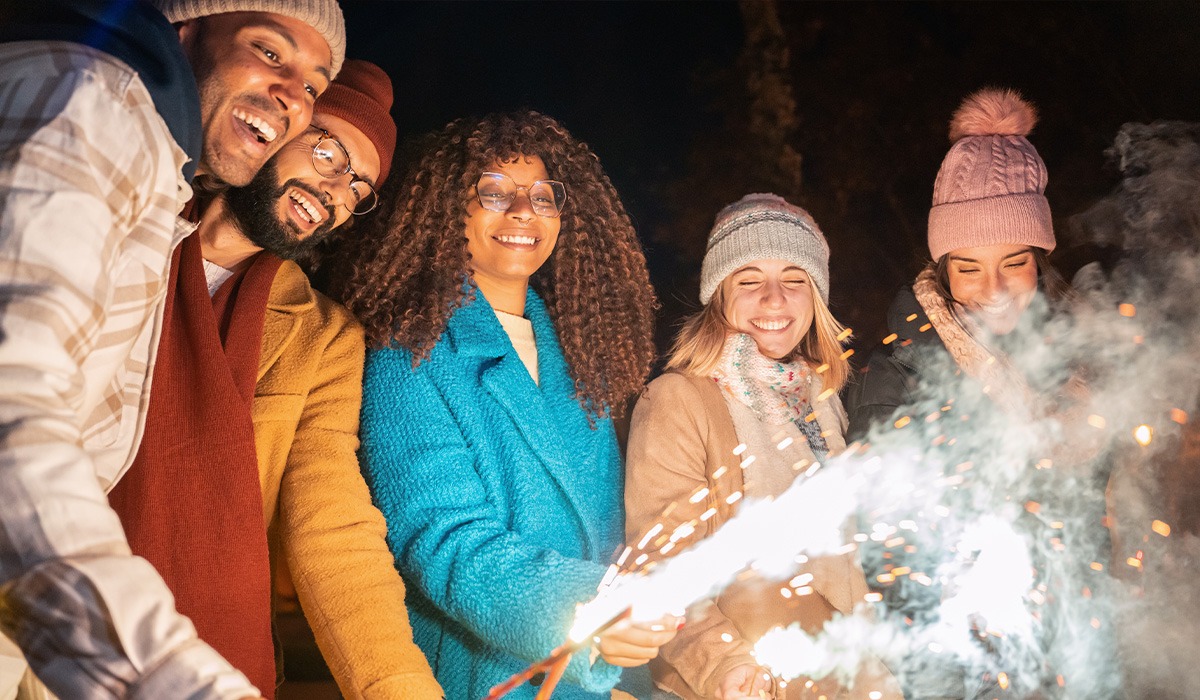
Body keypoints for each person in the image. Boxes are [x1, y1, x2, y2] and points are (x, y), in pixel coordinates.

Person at [0, 1, 344, 698]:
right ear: (188, 29)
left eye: (313, 85)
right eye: (269, 52)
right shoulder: (95, 105)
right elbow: (13, 412)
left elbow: (333, 526)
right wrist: (165, 678)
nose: (293, 95)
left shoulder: (157, 167)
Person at [102, 60, 442, 699]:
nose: (337, 191)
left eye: (359, 188)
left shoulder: (323, 338)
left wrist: (399, 690)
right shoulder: (118, 235)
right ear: (272, 129)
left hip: (216, 660)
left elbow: (333, 529)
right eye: (328, 153)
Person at [330, 111, 677, 700]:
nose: (522, 211)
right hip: (491, 676)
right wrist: (591, 613)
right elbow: (443, 539)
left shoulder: (584, 351)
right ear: (449, 210)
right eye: (494, 192)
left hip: (606, 676)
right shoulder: (407, 353)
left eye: (544, 197)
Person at [845, 88, 1117, 700]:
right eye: (968, 267)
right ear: (943, 270)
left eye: (1012, 263)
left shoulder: (1077, 359)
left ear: (1039, 260)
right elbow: (896, 568)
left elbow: (1091, 528)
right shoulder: (897, 378)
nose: (992, 289)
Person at [623, 194, 901, 700]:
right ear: (720, 295)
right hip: (742, 686)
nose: (774, 299)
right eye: (749, 281)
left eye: (794, 280)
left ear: (815, 297)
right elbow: (660, 567)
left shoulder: (823, 401)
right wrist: (724, 666)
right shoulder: (678, 401)